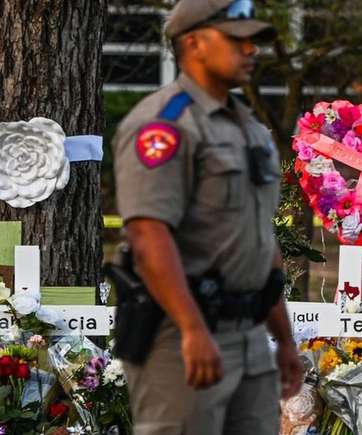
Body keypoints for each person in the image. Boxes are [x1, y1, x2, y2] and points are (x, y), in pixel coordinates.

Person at [111, 0, 304, 434]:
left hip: (250, 333)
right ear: (194, 42)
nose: (251, 50)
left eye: (252, 41)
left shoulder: (247, 127)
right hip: (179, 334)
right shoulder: (164, 125)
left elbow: (258, 238)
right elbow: (147, 234)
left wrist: (284, 338)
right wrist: (192, 329)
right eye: (237, 40)